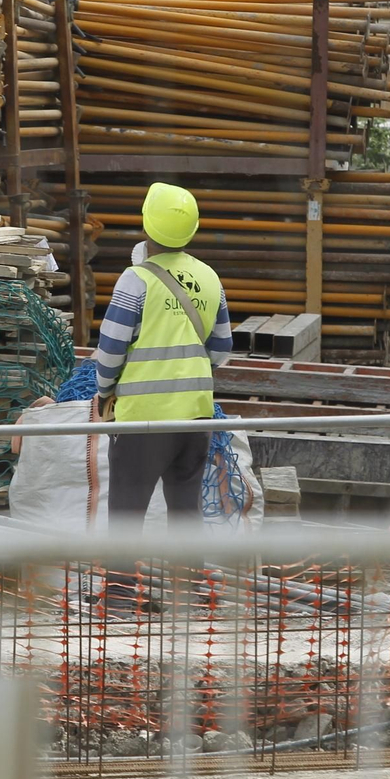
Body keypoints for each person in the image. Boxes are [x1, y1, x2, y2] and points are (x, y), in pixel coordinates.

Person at [93, 182, 233, 528]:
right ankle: (189, 583)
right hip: (196, 416)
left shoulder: (134, 280)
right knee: (186, 515)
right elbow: (221, 348)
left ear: (146, 225)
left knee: (126, 515)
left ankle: (123, 585)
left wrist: (103, 391)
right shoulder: (210, 278)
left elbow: (111, 350)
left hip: (143, 419)